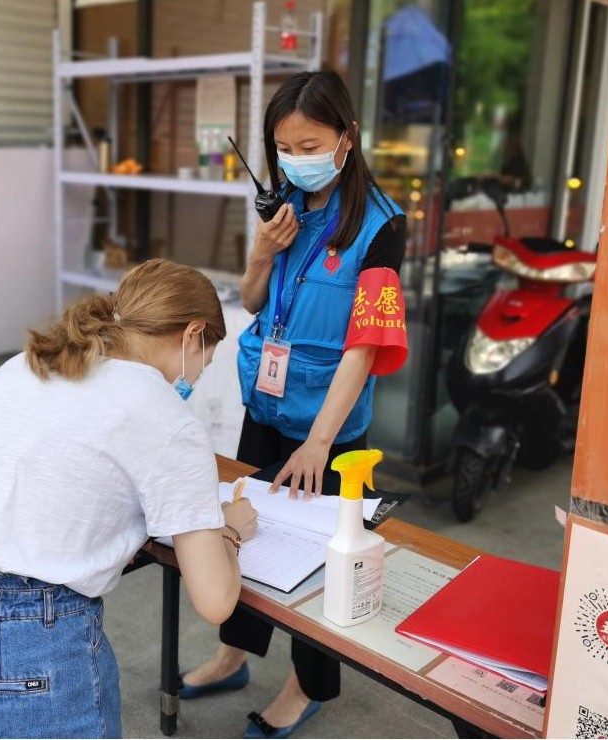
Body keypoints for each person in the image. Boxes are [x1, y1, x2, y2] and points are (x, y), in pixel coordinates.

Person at [0, 259, 258, 739]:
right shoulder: (165, 416)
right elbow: (215, 602)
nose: (186, 382)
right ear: (193, 336)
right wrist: (229, 528)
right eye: (202, 364)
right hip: (25, 654)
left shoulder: (22, 367)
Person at [182, 69, 409, 739]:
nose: (295, 159)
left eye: (309, 143)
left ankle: (308, 685)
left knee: (319, 558)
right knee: (244, 531)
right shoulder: (284, 210)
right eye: (283, 147)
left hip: (328, 430)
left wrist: (318, 443)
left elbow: (364, 348)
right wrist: (260, 252)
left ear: (347, 138)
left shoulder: (380, 228)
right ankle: (233, 652)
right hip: (267, 406)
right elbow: (252, 303)